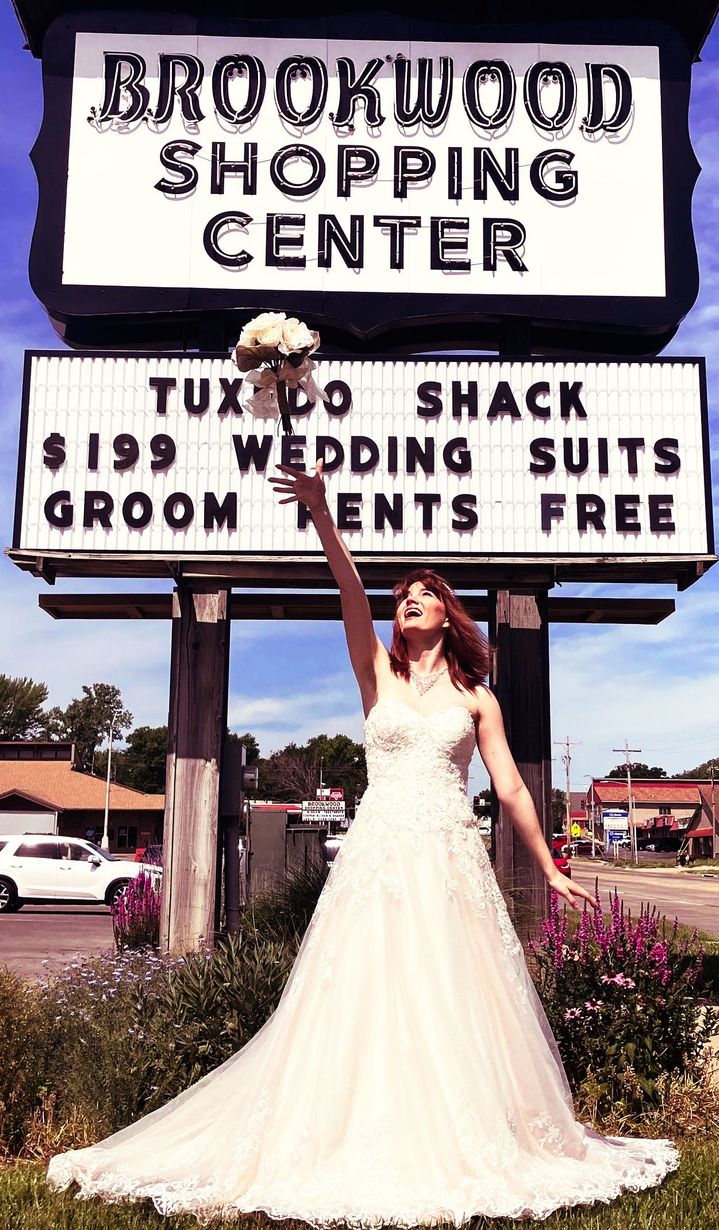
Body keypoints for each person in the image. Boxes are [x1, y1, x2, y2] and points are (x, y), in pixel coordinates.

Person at [46, 459, 680, 1224]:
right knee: (364, 989)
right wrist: (320, 514)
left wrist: (547, 863)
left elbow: (509, 785)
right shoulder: (375, 674)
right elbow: (350, 589)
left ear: (447, 615)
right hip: (380, 851)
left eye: (423, 596)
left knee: (453, 993)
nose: (408, 603)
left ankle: (463, 1134)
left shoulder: (477, 698)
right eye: (403, 598)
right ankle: (352, 1131)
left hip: (447, 853)